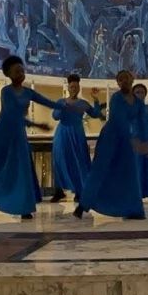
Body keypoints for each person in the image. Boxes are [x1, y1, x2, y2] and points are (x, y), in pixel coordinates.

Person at [0, 56, 78, 219]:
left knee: (22, 167)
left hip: (18, 134)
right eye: (17, 71)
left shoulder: (28, 92)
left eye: (22, 70)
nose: (21, 74)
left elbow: (47, 102)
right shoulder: (6, 92)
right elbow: (11, 113)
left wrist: (65, 105)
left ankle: (24, 207)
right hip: (3, 132)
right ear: (8, 74)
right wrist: (35, 124)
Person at [74, 70, 148, 220]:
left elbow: (143, 123)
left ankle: (133, 209)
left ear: (132, 79)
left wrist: (145, 141)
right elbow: (119, 119)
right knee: (99, 170)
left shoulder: (138, 103)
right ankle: (83, 204)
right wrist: (133, 139)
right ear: (118, 83)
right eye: (120, 79)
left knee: (129, 173)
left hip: (126, 141)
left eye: (126, 78)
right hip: (110, 138)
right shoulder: (116, 98)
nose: (124, 81)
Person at [50, 74, 103, 203]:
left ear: (79, 88)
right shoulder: (61, 101)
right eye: (72, 86)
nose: (74, 89)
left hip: (77, 134)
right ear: (68, 87)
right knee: (59, 161)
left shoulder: (83, 103)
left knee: (79, 161)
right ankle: (58, 191)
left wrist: (95, 100)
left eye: (76, 86)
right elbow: (55, 116)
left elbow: (96, 114)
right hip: (62, 134)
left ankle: (80, 191)